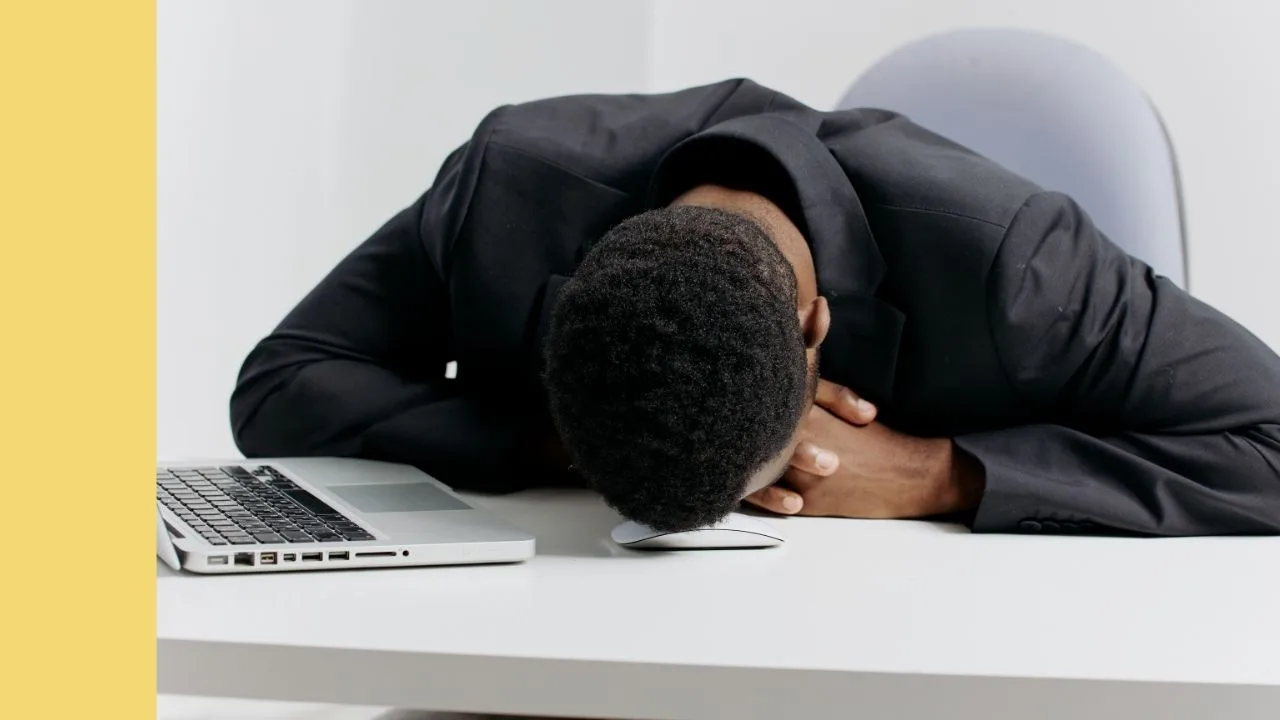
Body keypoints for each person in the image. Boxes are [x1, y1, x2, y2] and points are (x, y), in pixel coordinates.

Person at [230, 78, 1280, 537]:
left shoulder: (1022, 270)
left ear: (815, 329)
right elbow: (282, 382)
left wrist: (937, 474)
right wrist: (560, 441)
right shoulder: (506, 189)